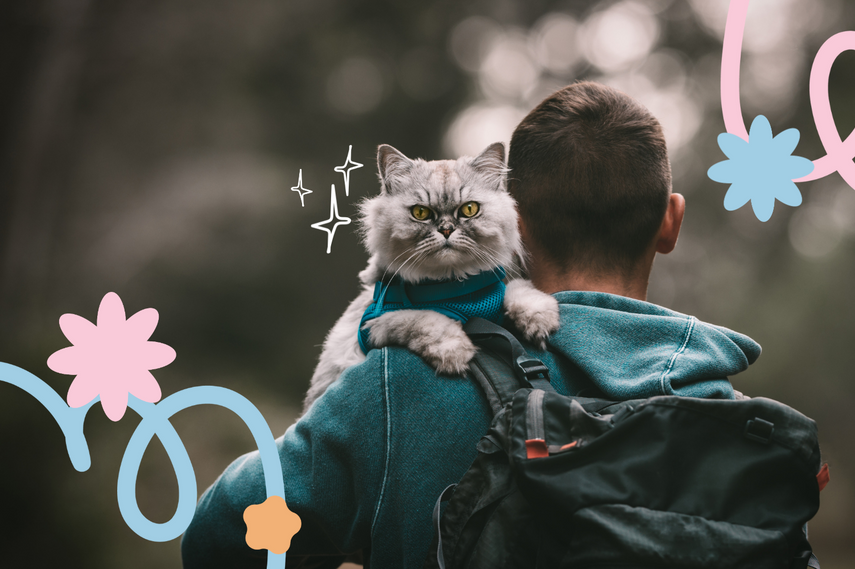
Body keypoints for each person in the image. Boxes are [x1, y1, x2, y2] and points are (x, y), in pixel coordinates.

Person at [181, 81, 761, 568]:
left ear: (518, 226)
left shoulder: (393, 390)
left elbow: (215, 538)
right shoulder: (732, 416)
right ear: (672, 221)